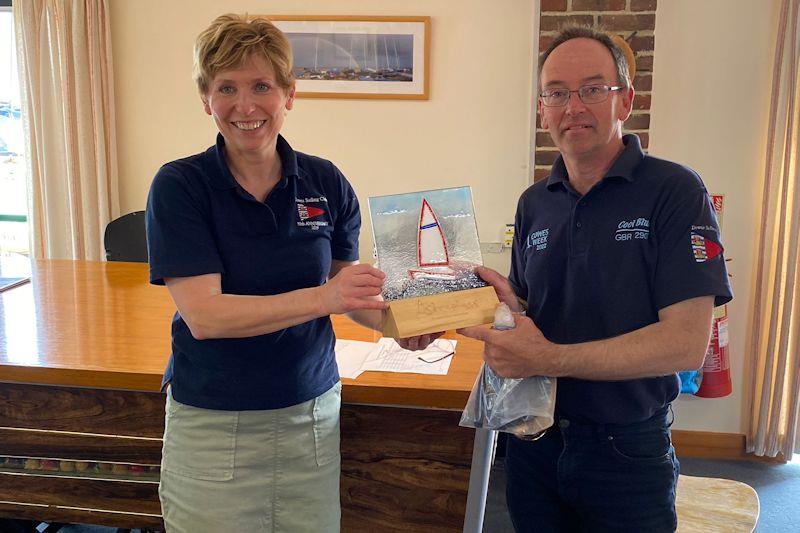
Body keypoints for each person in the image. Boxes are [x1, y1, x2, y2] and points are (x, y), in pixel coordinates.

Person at [146, 14, 433, 532]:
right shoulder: (180, 186)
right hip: (215, 425)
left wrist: (402, 326)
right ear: (205, 99)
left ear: (289, 94)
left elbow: (354, 296)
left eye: (262, 86)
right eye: (226, 88)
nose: (245, 105)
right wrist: (324, 298)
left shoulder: (325, 181)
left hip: (311, 418)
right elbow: (206, 317)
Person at [459, 26, 732, 532]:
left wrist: (548, 358)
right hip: (534, 439)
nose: (572, 107)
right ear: (542, 109)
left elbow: (684, 345)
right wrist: (496, 304)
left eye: (592, 88)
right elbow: (532, 313)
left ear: (625, 100)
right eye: (557, 93)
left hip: (625, 449)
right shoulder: (534, 202)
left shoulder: (674, 191)